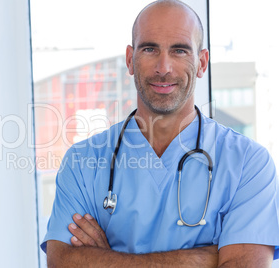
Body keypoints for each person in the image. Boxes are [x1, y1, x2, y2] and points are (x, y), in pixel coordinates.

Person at [41, 0, 279, 267]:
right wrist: (204, 258)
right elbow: (62, 261)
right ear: (130, 60)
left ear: (202, 63)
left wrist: (105, 259)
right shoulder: (81, 162)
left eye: (179, 50)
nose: (164, 67)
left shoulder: (248, 163)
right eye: (150, 49)